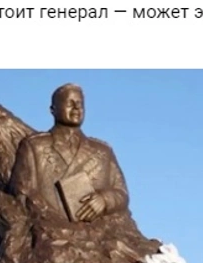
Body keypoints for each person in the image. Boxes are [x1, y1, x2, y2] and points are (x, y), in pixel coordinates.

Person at [7, 83, 130, 222]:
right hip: (50, 228)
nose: (76, 108)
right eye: (70, 103)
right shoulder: (34, 147)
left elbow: (122, 193)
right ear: (53, 110)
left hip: (96, 230)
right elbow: (21, 194)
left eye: (80, 104)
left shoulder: (103, 151)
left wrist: (104, 200)